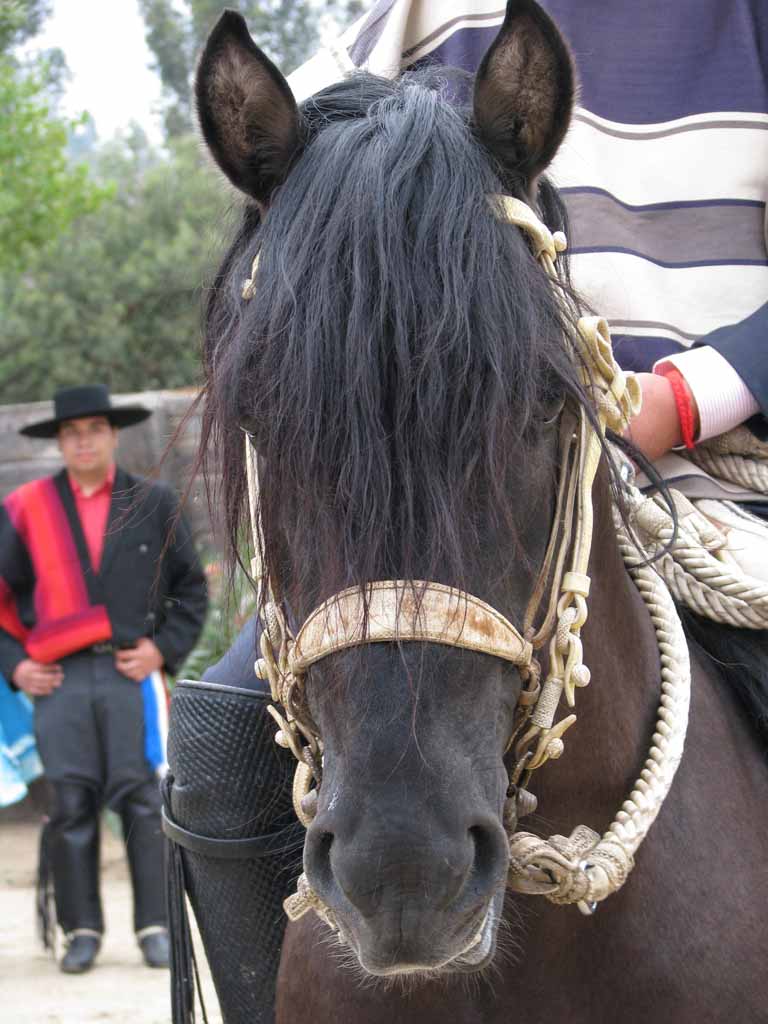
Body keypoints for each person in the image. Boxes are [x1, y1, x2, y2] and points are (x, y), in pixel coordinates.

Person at [162, 3, 767, 1022]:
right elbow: (313, 204)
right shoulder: (411, 7)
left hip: (720, 463)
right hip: (448, 472)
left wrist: (681, 396)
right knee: (221, 743)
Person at [0, 384, 208, 974]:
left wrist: (160, 649)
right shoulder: (24, 509)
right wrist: (15, 664)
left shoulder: (154, 502)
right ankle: (81, 931)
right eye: (71, 432)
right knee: (68, 804)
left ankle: (156, 929)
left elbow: (191, 588)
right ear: (60, 442)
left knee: (144, 801)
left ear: (113, 435)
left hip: (130, 676)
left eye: (93, 428)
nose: (83, 439)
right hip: (57, 681)